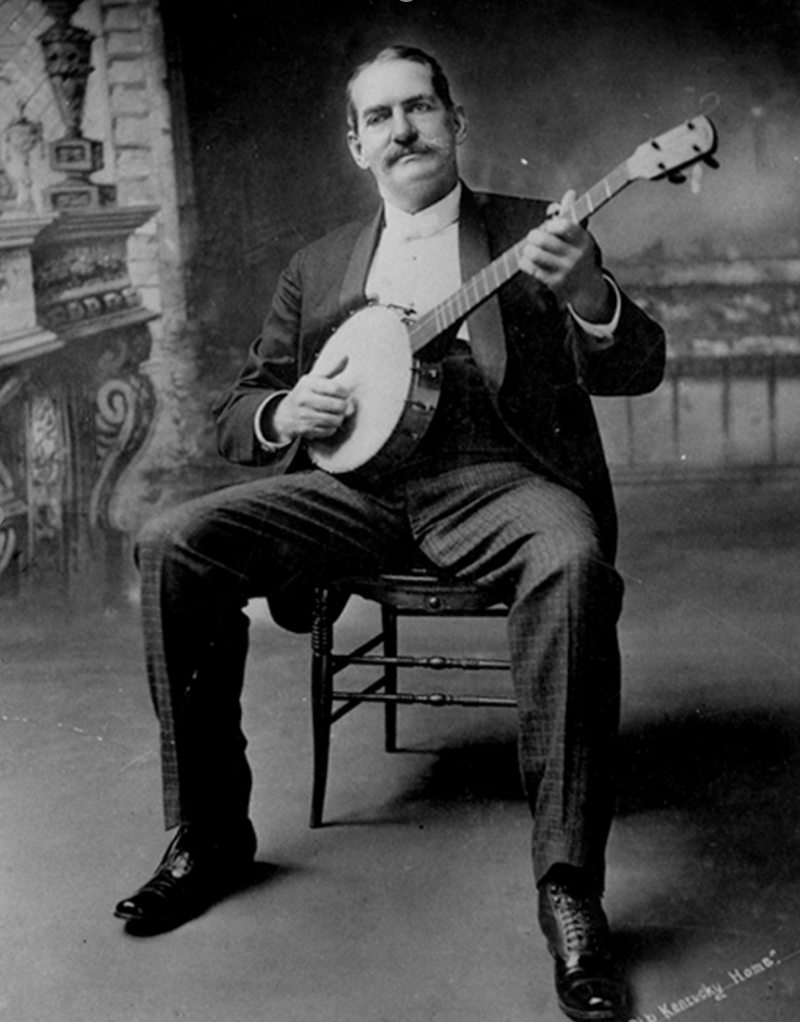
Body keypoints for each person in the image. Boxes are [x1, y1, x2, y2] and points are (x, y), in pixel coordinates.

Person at [115, 43, 665, 1022]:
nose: (403, 129)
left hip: (497, 481)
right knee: (175, 542)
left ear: (456, 122)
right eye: (380, 116)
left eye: (420, 107)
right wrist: (283, 411)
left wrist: (588, 293)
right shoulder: (318, 264)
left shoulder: (534, 230)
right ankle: (208, 835)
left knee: (571, 561)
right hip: (355, 495)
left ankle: (569, 887)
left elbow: (638, 365)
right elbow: (237, 410)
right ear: (355, 144)